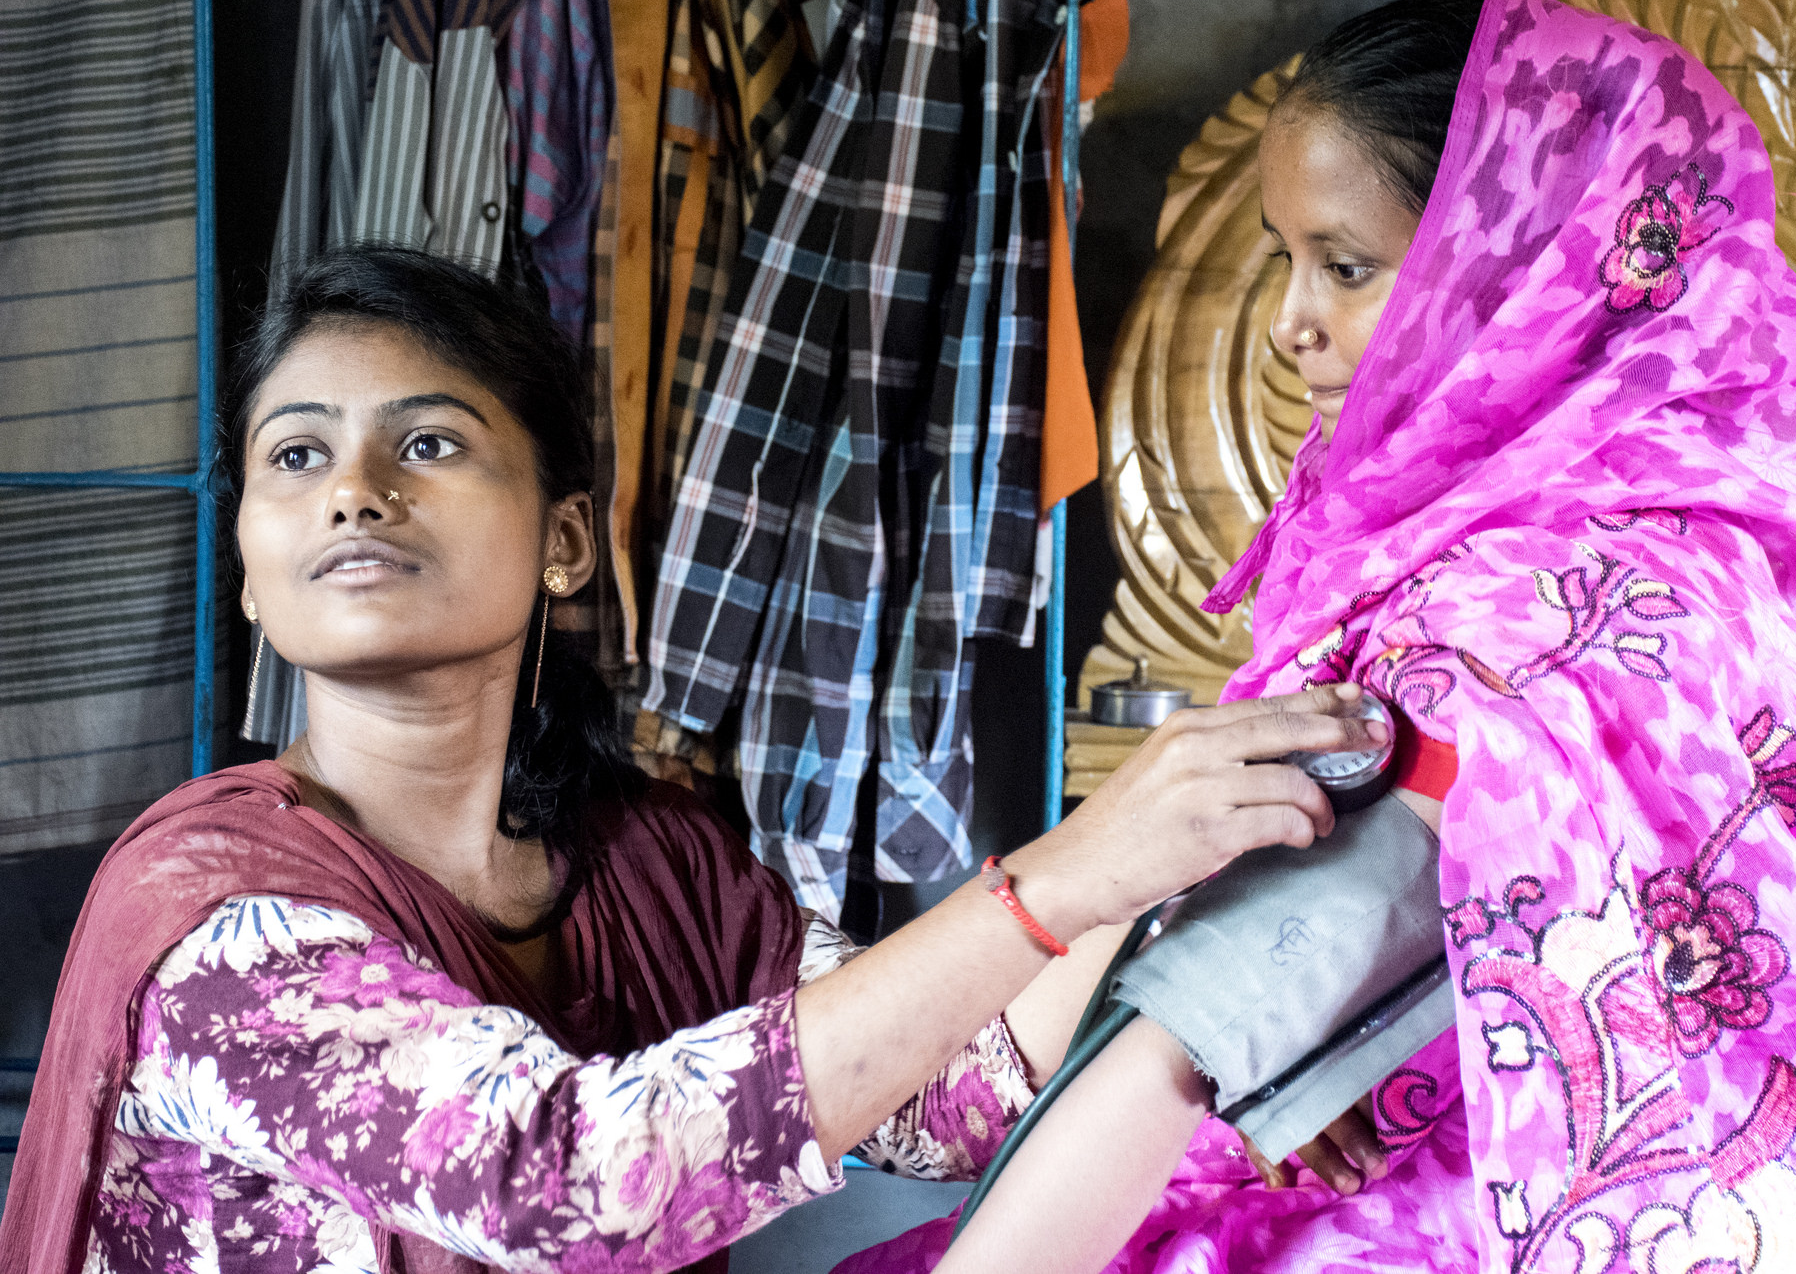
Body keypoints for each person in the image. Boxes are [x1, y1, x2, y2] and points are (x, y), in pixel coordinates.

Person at [841, 0, 1796, 1274]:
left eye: (1343, 265)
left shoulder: (1520, 617)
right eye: (1286, 257)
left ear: (1529, 278)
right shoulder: (1723, 524)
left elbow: (1204, 1017)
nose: (1291, 321)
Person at [0, 246, 1390, 1274]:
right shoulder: (213, 914)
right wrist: (1066, 871)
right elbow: (574, 1180)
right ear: (248, 570)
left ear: (563, 541)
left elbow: (946, 1090)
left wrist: (1180, 874)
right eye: (295, 456)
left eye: (427, 441)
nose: (355, 489)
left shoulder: (644, 859)